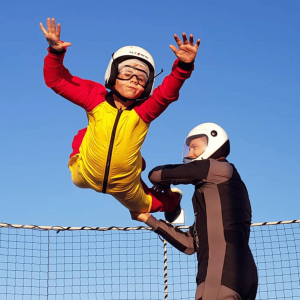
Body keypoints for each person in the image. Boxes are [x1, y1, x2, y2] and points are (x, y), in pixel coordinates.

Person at [40, 18, 200, 222]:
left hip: (124, 185)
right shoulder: (95, 99)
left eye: (141, 78)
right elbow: (56, 80)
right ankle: (130, 161)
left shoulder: (144, 111)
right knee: (83, 138)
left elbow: (166, 94)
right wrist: (55, 53)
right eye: (127, 73)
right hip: (84, 174)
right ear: (113, 75)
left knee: (146, 206)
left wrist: (183, 67)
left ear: (147, 85)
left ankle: (172, 201)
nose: (134, 79)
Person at [131, 122, 258, 300]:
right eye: (188, 149)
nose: (189, 154)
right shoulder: (221, 189)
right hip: (242, 275)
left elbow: (156, 174)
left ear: (214, 143)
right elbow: (190, 244)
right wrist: (148, 219)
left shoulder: (218, 169)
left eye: (195, 148)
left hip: (219, 273)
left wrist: (166, 191)